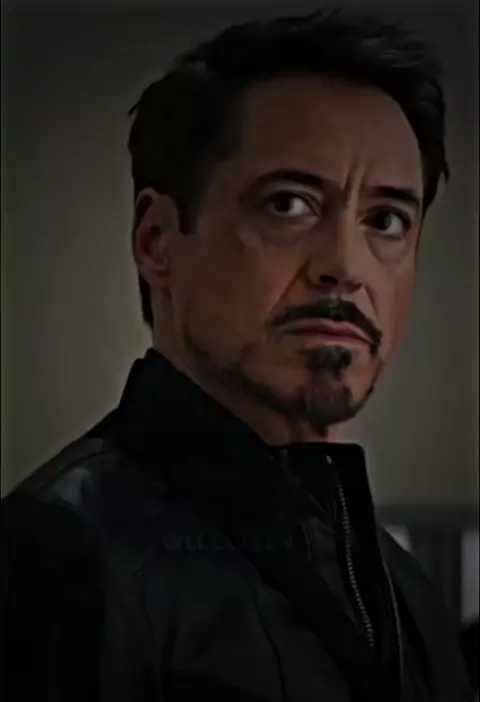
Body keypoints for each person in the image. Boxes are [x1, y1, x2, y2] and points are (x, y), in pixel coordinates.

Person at [1, 9, 473, 702]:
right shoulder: (55, 558)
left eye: (386, 220)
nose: (346, 267)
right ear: (158, 242)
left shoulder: (407, 592)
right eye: (288, 205)